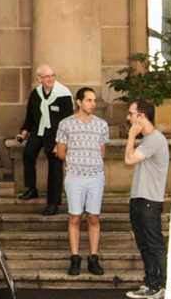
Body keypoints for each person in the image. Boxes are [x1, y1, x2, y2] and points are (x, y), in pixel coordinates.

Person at [55, 87, 109, 276]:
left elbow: (102, 151)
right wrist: (76, 160)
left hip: (95, 177)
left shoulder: (101, 124)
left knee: (93, 217)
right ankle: (75, 258)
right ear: (79, 102)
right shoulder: (65, 124)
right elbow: (60, 151)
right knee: (75, 217)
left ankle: (93, 258)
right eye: (89, 100)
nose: (93, 104)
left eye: (94, 100)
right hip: (74, 177)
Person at [123, 99, 171, 299]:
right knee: (144, 244)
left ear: (141, 116)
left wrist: (131, 136)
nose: (129, 117)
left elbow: (129, 160)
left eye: (131, 113)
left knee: (154, 245)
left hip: (150, 200)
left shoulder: (154, 139)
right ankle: (151, 283)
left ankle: (165, 286)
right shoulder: (148, 140)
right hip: (139, 198)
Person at [18, 64, 74, 215]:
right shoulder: (36, 94)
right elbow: (30, 116)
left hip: (57, 134)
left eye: (52, 76)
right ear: (39, 79)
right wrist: (24, 132)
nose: (50, 79)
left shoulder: (63, 94)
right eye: (46, 77)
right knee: (28, 154)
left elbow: (69, 121)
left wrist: (61, 143)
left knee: (55, 166)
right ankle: (31, 188)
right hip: (39, 131)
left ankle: (53, 203)